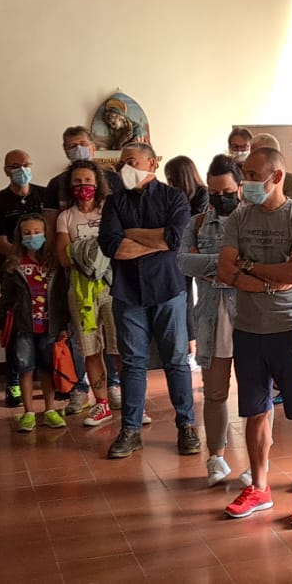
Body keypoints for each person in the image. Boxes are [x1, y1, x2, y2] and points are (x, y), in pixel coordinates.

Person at [216, 147, 292, 526]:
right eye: (244, 174)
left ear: (276, 177)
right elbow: (225, 270)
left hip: (289, 328)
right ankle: (259, 487)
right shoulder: (239, 217)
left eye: (252, 175)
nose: (245, 182)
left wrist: (248, 267)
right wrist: (263, 280)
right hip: (248, 329)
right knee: (255, 411)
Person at [97, 142, 199, 459]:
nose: (125, 169)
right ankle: (130, 431)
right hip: (128, 292)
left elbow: (175, 238)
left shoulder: (174, 197)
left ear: (152, 163)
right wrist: (156, 239)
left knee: (176, 360)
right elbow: (113, 247)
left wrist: (132, 233)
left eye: (132, 161)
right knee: (132, 363)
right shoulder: (114, 202)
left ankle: (186, 426)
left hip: (169, 289)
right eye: (121, 164)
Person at [178, 154, 242, 484]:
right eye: (214, 193)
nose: (220, 198)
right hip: (211, 316)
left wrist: (209, 264)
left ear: (240, 187)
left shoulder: (255, 220)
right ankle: (215, 458)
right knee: (215, 392)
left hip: (249, 315)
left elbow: (263, 262)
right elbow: (182, 262)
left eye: (227, 192)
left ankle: (257, 465)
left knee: (255, 393)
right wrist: (229, 265)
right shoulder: (198, 223)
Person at [54, 159, 119, 428]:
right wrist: (97, 250)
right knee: (91, 350)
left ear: (98, 183)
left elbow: (118, 246)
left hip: (113, 287)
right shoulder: (65, 217)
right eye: (77, 182)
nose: (83, 186)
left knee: (120, 348)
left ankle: (132, 403)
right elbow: (63, 257)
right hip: (81, 293)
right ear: (70, 186)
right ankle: (101, 403)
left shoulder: (110, 210)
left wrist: (80, 250)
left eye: (88, 181)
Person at [0, 149, 51, 410]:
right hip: (15, 273)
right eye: (14, 166)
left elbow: (54, 231)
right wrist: (23, 257)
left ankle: (57, 385)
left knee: (48, 329)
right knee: (17, 328)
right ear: (5, 170)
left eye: (25, 164)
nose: (21, 169)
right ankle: (13, 382)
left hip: (46, 269)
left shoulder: (45, 195)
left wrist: (43, 257)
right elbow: (0, 241)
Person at [0, 214, 72, 432]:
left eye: (37, 232)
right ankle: (28, 412)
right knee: (25, 369)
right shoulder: (14, 264)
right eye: (27, 233)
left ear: (45, 234)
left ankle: (50, 410)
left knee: (47, 369)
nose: (32, 237)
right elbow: (6, 297)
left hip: (50, 327)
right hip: (24, 328)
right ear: (20, 236)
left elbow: (62, 297)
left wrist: (64, 325)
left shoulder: (55, 263)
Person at [46, 126, 125, 211]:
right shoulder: (56, 183)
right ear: (66, 152)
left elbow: (123, 211)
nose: (78, 149)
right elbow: (50, 216)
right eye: (72, 146)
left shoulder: (114, 178)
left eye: (83, 144)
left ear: (93, 148)